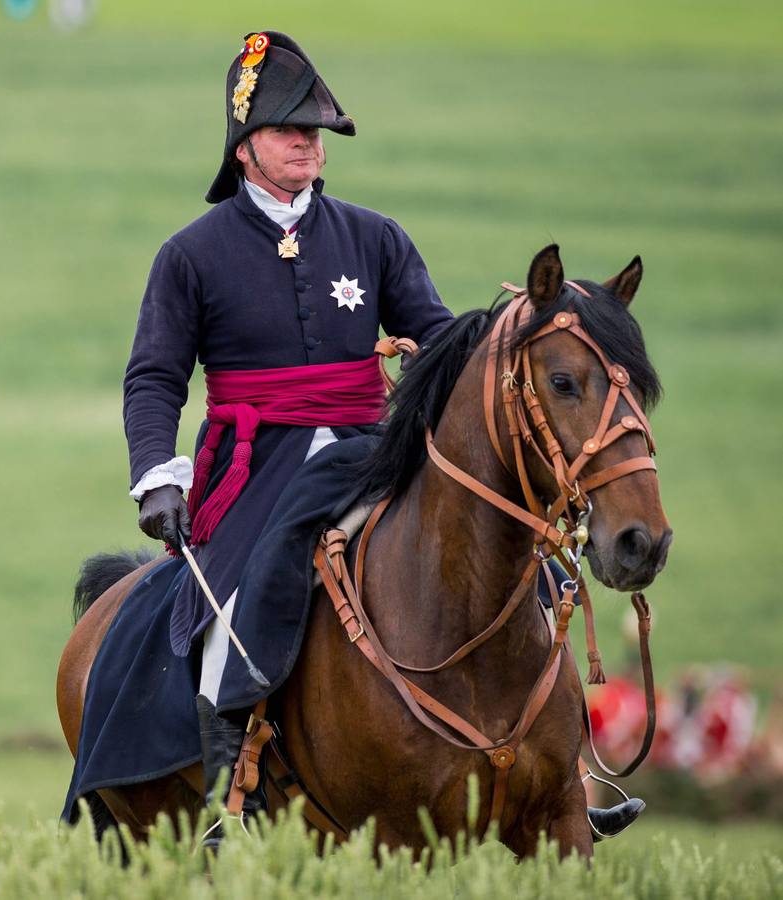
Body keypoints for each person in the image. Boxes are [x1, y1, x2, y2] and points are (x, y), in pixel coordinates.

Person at [122, 31, 641, 845]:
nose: (307, 142)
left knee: (514, 559)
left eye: (314, 130)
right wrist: (158, 475)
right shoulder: (190, 255)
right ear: (245, 145)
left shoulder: (375, 237)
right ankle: (231, 787)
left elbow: (439, 344)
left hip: (375, 444)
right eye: (290, 128)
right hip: (257, 464)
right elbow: (154, 378)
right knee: (241, 595)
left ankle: (567, 773)